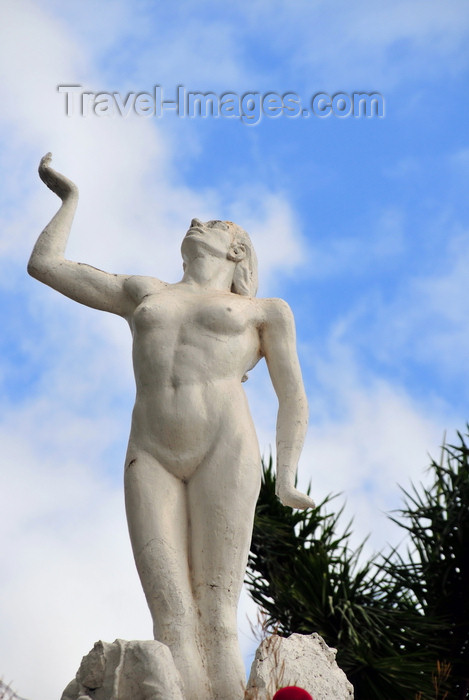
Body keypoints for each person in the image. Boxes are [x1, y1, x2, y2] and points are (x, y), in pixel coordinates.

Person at [29, 153, 315, 700]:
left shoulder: (263, 311)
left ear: (237, 250)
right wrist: (70, 202)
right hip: (151, 450)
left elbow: (292, 394)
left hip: (224, 447)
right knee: (171, 613)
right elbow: (46, 265)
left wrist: (288, 470)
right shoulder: (143, 291)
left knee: (218, 613)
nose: (196, 222)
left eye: (213, 223)